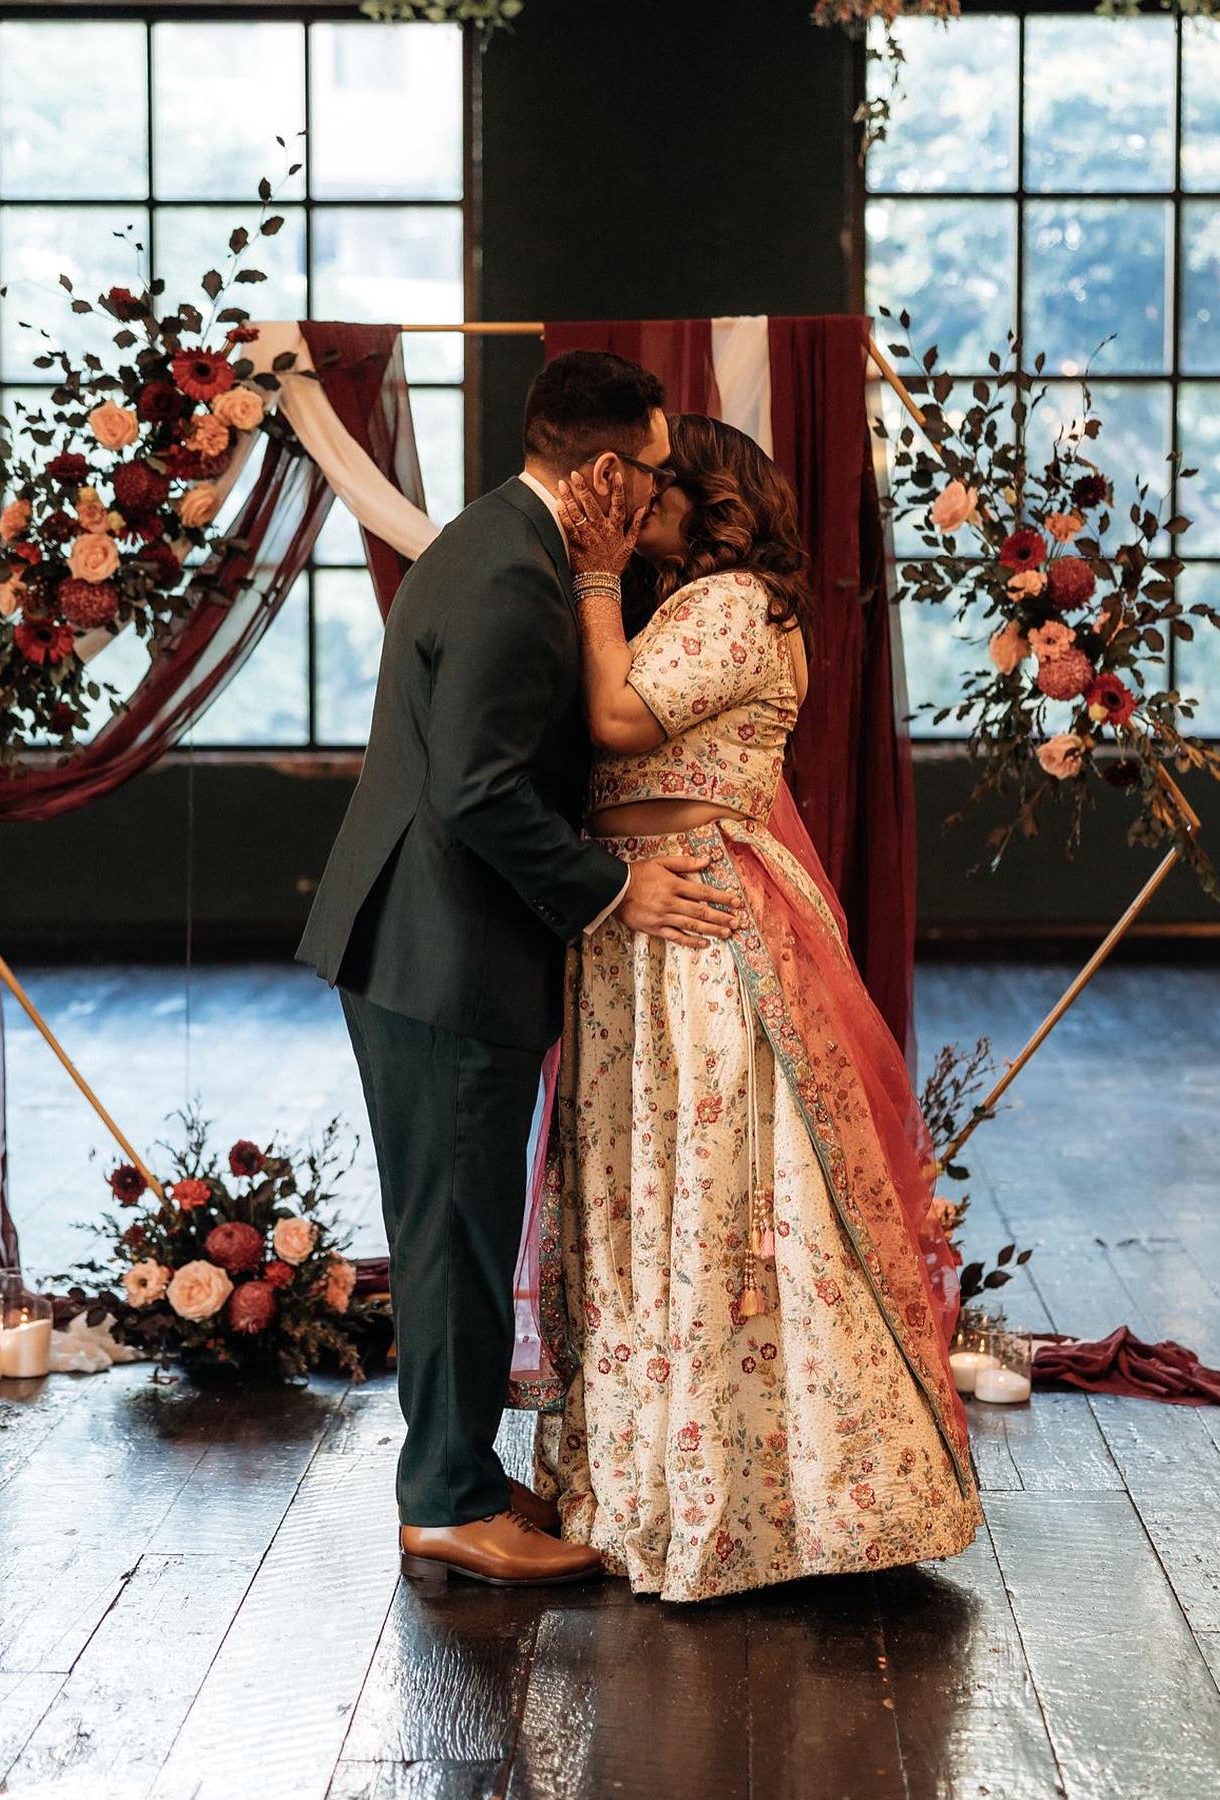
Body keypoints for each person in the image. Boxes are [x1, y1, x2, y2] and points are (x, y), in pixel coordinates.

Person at [296, 352, 739, 1587]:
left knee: (468, 1225)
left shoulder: (507, 537)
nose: (661, 496)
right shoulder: (508, 572)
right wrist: (618, 888)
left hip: (441, 942)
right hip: (440, 952)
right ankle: (445, 1501)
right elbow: (479, 790)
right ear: (605, 470)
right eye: (653, 471)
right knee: (454, 1234)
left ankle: (468, 1473)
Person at [533, 415, 984, 1601]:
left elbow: (619, 724)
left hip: (698, 924)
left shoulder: (734, 603)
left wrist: (593, 579)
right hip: (641, 921)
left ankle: (763, 1503)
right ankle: (655, 1483)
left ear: (711, 501)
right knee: (650, 1192)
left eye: (658, 487)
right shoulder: (694, 604)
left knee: (720, 1190)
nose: (636, 504)